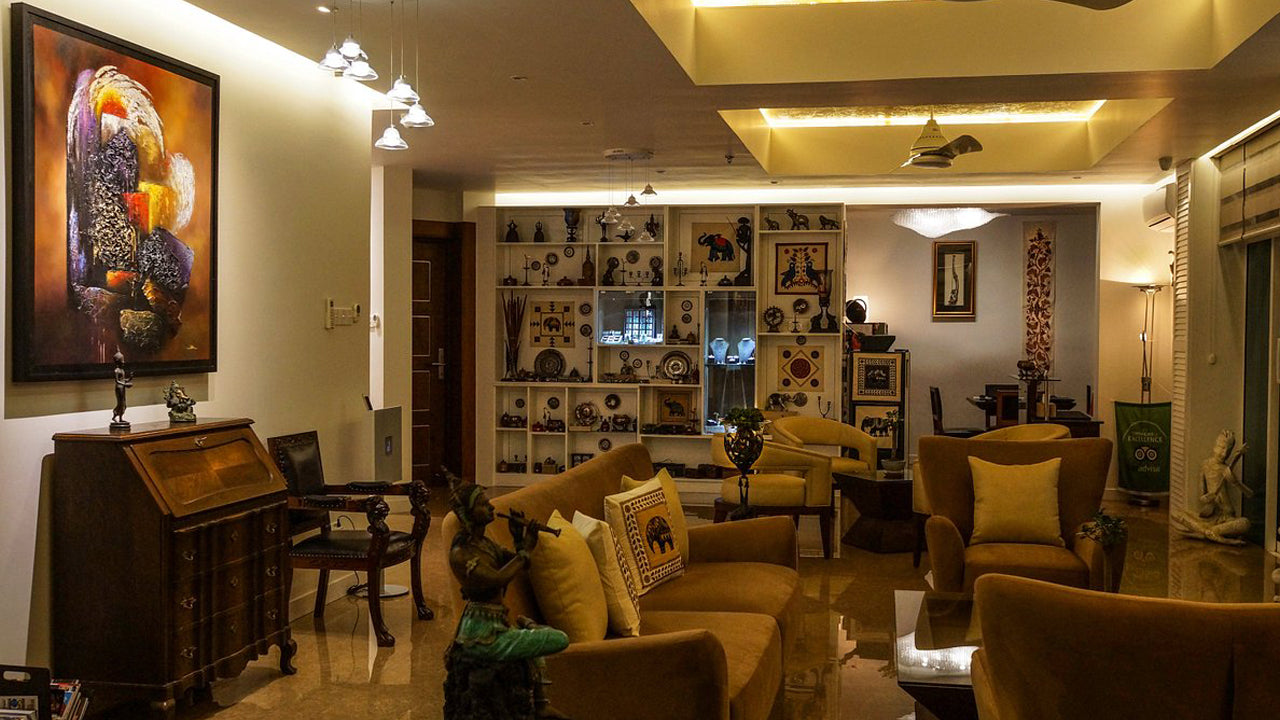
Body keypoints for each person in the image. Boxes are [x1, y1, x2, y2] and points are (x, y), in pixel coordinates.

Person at [445, 474, 569, 719]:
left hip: (496, 624)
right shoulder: (461, 553)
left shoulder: (485, 544)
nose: (491, 507)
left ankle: (541, 704)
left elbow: (518, 562)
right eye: (483, 504)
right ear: (468, 514)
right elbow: (497, 578)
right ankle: (540, 702)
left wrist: (520, 540)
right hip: (480, 634)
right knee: (558, 639)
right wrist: (525, 551)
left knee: (535, 641)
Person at [110, 351, 133, 428]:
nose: (123, 362)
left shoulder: (122, 370)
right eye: (122, 360)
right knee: (120, 403)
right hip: (119, 388)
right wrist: (125, 384)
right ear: (118, 361)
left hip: (122, 388)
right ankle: (114, 416)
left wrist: (130, 378)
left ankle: (121, 418)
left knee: (124, 404)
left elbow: (123, 380)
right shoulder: (116, 371)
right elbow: (117, 381)